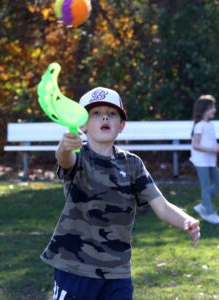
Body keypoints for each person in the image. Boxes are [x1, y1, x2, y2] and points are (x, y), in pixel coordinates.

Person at [41, 87, 200, 300]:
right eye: (95, 113)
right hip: (74, 267)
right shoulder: (79, 156)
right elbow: (64, 159)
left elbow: (161, 206)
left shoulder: (132, 164)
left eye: (112, 113)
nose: (104, 116)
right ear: (83, 125)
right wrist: (64, 147)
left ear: (121, 125)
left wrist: (186, 221)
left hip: (117, 272)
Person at [190, 95, 219, 224]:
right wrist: (212, 150)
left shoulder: (210, 125)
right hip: (201, 161)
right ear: (203, 110)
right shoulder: (199, 126)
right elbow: (196, 145)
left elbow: (211, 142)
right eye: (211, 108)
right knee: (205, 187)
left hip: (210, 160)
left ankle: (204, 204)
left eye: (214, 107)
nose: (214, 110)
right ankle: (210, 213)